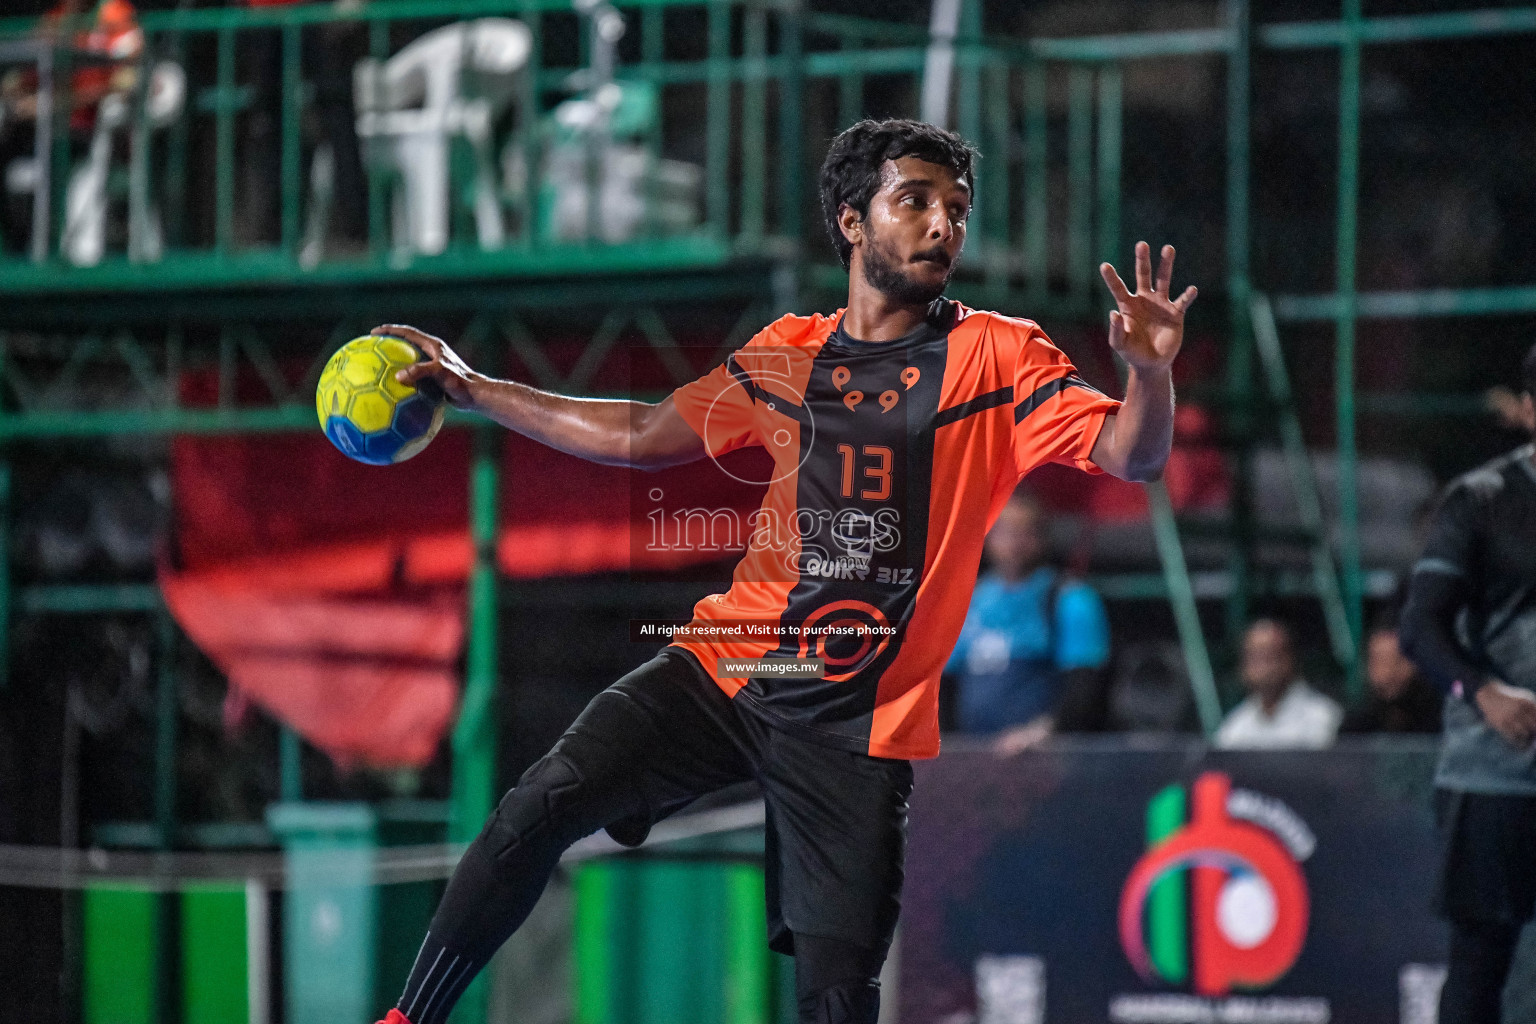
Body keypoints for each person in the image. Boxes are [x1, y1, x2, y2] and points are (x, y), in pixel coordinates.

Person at [369, 118, 1198, 1024]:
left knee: (837, 1000)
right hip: (729, 669)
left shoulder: (999, 356)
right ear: (852, 221)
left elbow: (1132, 455)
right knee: (537, 807)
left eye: (956, 210)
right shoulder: (788, 353)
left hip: (856, 729)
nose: (942, 226)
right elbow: (644, 434)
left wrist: (1148, 376)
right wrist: (476, 386)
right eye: (915, 201)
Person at [1399, 342, 1536, 1024]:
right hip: (1497, 776)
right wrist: (1483, 693)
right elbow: (1420, 631)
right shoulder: (1481, 499)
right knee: (1481, 965)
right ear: (1530, 410)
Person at [945, 490, 1111, 753]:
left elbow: (1084, 690)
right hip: (971, 762)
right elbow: (942, 685)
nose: (1014, 543)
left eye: (1025, 532)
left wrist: (1040, 734)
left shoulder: (1069, 599)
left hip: (1042, 760)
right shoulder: (967, 600)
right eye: (1004, 531)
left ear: (1043, 537)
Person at [1213, 617, 1341, 749]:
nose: (1259, 667)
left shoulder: (1322, 716)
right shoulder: (1236, 724)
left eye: (1267, 656)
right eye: (1253, 657)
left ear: (1290, 659)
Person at [1339, 621, 1441, 734]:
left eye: (1395, 663)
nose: (1383, 676)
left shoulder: (1439, 720)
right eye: (1377, 662)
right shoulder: (1356, 727)